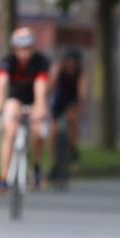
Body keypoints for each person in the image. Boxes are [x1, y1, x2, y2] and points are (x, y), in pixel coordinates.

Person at [0, 28, 51, 193]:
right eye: (21, 48)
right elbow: (1, 84)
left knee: (38, 131)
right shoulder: (8, 61)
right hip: (14, 99)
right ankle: (4, 177)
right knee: (10, 131)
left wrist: (41, 108)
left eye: (28, 47)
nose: (25, 52)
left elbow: (41, 86)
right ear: (15, 48)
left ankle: (36, 168)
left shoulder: (41, 61)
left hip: (34, 99)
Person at [48, 47, 88, 175]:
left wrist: (82, 107)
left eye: (74, 62)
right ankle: (55, 160)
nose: (71, 64)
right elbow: (50, 86)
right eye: (69, 61)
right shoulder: (58, 69)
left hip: (72, 99)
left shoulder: (81, 73)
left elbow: (82, 92)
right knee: (54, 130)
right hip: (59, 99)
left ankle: (72, 150)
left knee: (72, 119)